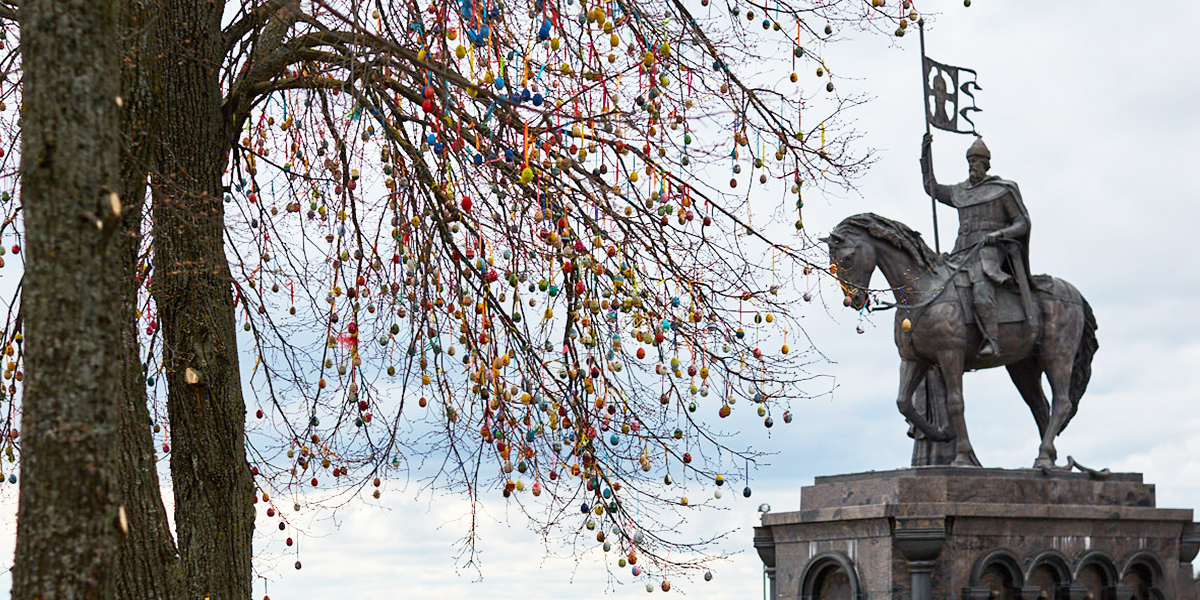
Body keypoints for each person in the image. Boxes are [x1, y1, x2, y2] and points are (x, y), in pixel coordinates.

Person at [921, 133, 1031, 358]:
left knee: (981, 288)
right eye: (970, 162)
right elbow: (931, 187)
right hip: (960, 252)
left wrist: (999, 234)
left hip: (989, 253)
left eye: (977, 162)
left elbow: (1022, 223)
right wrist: (926, 157)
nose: (973, 166)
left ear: (986, 165)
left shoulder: (1003, 189)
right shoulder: (960, 191)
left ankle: (992, 340)